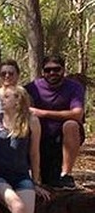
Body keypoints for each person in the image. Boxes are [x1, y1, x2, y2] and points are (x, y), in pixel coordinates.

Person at [24, 55, 86, 189]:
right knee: (48, 180)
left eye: (56, 69)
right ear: (43, 72)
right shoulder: (32, 87)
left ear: (63, 70)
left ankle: (66, 175)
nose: (52, 73)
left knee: (71, 125)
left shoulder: (74, 87)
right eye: (48, 70)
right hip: (39, 139)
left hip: (63, 139)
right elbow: (10, 95)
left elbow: (77, 114)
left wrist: (42, 113)